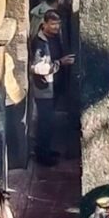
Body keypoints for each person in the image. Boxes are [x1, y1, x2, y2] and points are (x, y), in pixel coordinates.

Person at [30, 10, 75, 166]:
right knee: (45, 122)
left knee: (49, 122)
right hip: (43, 88)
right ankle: (42, 155)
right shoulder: (39, 43)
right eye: (53, 24)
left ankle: (46, 149)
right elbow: (37, 68)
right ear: (44, 24)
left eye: (58, 24)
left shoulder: (56, 37)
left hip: (54, 86)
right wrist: (60, 63)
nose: (56, 27)